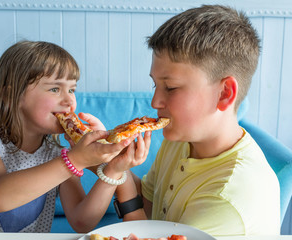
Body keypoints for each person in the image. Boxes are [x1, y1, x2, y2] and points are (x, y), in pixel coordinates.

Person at [0, 40, 149, 233]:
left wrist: (111, 171)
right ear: (12, 96)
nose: (69, 100)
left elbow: (82, 221)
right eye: (55, 89)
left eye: (72, 89)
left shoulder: (55, 153)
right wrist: (76, 160)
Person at [114, 5, 280, 236]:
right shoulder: (181, 139)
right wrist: (110, 160)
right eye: (156, 85)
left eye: (170, 88)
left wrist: (117, 178)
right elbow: (150, 208)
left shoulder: (228, 196)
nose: (155, 102)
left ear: (224, 93)